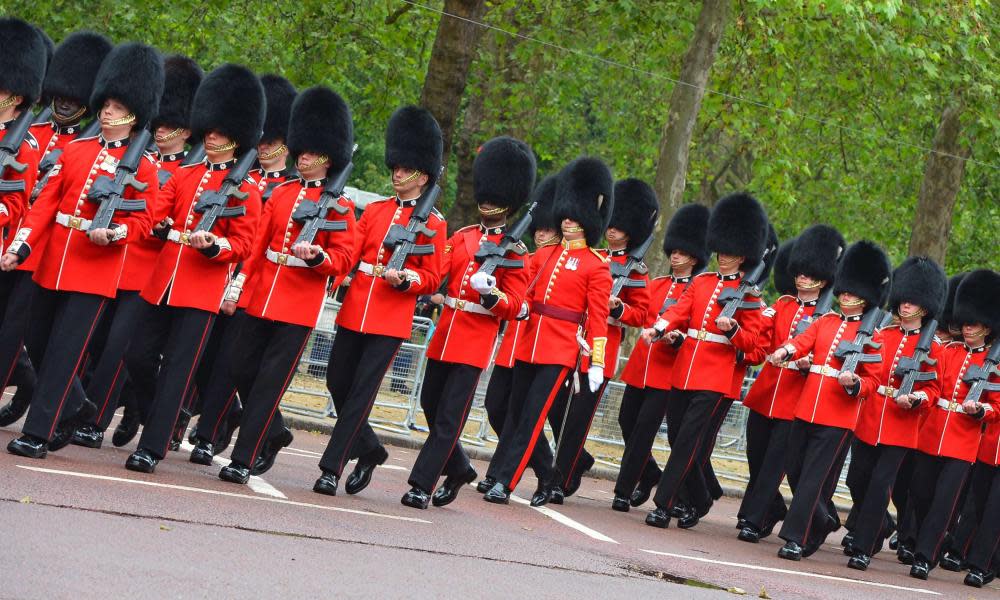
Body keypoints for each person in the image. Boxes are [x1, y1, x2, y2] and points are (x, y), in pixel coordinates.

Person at [4, 42, 163, 459]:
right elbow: (44, 205)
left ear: (132, 114)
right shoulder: (76, 150)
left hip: (95, 269)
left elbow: (144, 220)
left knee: (63, 353)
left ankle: (38, 433)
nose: (106, 111)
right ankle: (77, 406)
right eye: (105, 104)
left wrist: (118, 234)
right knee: (37, 342)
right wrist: (21, 247)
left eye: (115, 106)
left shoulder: (143, 167)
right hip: (53, 261)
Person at [205, 85, 357, 483]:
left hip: (298, 305)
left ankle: (244, 458)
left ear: (327, 157)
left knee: (270, 384)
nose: (302, 157)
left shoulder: (340, 207)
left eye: (309, 153)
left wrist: (319, 259)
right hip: (260, 296)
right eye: (301, 150)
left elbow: (344, 259)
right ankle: (272, 431)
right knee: (239, 368)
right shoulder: (283, 193)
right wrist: (238, 285)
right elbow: (255, 246)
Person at [122, 63, 264, 473]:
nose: (211, 135)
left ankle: (150, 448)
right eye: (210, 129)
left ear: (234, 138)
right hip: (163, 282)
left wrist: (215, 245)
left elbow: (243, 244)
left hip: (201, 288)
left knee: (178, 372)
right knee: (138, 357)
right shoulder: (186, 175)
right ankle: (159, 421)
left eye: (219, 132)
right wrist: (159, 227)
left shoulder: (247, 191)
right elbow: (153, 214)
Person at [70, 54, 204, 449]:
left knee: (121, 349)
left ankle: (95, 421)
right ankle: (145, 407)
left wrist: (164, 229)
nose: (162, 131)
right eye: (159, 124)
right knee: (97, 344)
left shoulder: (188, 172)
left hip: (149, 269)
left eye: (170, 126)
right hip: (112, 257)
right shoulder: (136, 158)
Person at [313, 105, 447, 497]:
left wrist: (408, 279)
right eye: (397, 167)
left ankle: (330, 469)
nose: (398, 173)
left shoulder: (434, 224)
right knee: (337, 381)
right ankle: (369, 449)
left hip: (390, 318)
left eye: (406, 169)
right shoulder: (375, 211)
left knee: (359, 396)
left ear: (423, 175)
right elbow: (349, 254)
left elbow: (433, 275)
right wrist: (328, 271)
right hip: (356, 309)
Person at [401, 136, 534, 509]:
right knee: (429, 403)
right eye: (485, 194)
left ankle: (421, 485)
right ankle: (459, 466)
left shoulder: (517, 253)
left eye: (495, 196)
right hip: (444, 334)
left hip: (475, 341)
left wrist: (492, 295)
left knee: (448, 420)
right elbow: (437, 273)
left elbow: (519, 304)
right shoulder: (462, 237)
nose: (487, 201)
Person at [482, 156, 613, 506]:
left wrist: (595, 362)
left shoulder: (596, 267)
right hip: (528, 343)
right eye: (565, 215)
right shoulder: (543, 257)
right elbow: (519, 299)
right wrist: (490, 292)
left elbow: (598, 317)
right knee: (515, 415)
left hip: (560, 350)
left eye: (574, 216)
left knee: (532, 417)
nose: (568, 220)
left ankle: (505, 483)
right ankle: (549, 476)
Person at [641, 192, 768, 529]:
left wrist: (734, 330)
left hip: (715, 377)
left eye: (730, 254)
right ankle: (700, 497)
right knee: (677, 439)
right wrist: (659, 327)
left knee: (685, 444)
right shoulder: (703, 282)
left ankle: (664, 505)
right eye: (721, 251)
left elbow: (753, 343)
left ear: (743, 258)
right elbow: (680, 313)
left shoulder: (750, 295)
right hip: (684, 372)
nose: (722, 258)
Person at [766, 240, 891, 560]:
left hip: (838, 418)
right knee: (794, 469)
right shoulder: (826, 322)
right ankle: (821, 521)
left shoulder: (872, 336)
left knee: (812, 479)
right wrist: (786, 350)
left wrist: (855, 384)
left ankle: (796, 537)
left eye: (853, 294)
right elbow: (802, 341)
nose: (847, 297)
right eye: (845, 292)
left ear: (865, 299)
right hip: (806, 409)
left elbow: (874, 379)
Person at [548, 178, 656, 502]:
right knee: (555, 409)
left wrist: (618, 307)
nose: (613, 231)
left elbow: (641, 315)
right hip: (571, 342)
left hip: (601, 349)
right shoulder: (591, 256)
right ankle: (578, 459)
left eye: (620, 227)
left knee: (578, 419)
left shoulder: (636, 270)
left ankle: (561, 480)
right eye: (612, 224)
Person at [736, 224, 845, 542]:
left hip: (794, 402)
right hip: (766, 393)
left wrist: (809, 364)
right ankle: (770, 509)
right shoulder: (782, 304)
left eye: (810, 275)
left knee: (773, 466)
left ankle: (754, 520)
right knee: (755, 457)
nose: (802, 278)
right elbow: (761, 336)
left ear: (823, 280)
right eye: (800, 273)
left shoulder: (829, 318)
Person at [844, 257, 947, 570]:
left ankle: (863, 547)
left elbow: (934, 391)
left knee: (879, 486)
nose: (905, 305)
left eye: (913, 301)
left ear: (925, 307)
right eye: (904, 298)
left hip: (901, 427)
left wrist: (915, 398)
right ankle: (881, 526)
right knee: (855, 480)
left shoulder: (935, 349)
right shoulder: (882, 336)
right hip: (870, 416)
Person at [612, 203, 710, 511]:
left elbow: (694, 328)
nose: (676, 256)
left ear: (695, 257)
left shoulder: (697, 292)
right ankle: (651, 472)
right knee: (626, 420)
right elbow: (641, 315)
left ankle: (623, 490)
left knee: (643, 429)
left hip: (667, 372)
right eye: (674, 251)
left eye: (682, 252)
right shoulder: (657, 285)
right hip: (641, 365)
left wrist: (676, 339)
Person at [906, 269, 999, 580]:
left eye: (975, 324)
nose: (968, 327)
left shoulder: (993, 363)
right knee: (920, 494)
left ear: (988, 327)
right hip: (932, 433)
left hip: (963, 441)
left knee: (945, 502)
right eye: (966, 322)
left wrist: (981, 410)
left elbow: (996, 406)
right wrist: (921, 396)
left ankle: (924, 556)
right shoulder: (948, 352)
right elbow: (933, 386)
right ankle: (937, 537)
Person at [477, 174, 560, 494]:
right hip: (512, 342)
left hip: (535, 346)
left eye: (548, 229)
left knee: (519, 414)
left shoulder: (554, 261)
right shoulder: (521, 253)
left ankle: (501, 471)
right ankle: (544, 466)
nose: (541, 233)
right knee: (497, 406)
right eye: (539, 227)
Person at [0, 18, 49, 428]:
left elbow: (16, 204)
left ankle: (24, 375)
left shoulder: (24, 145)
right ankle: (26, 375)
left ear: (15, 97)